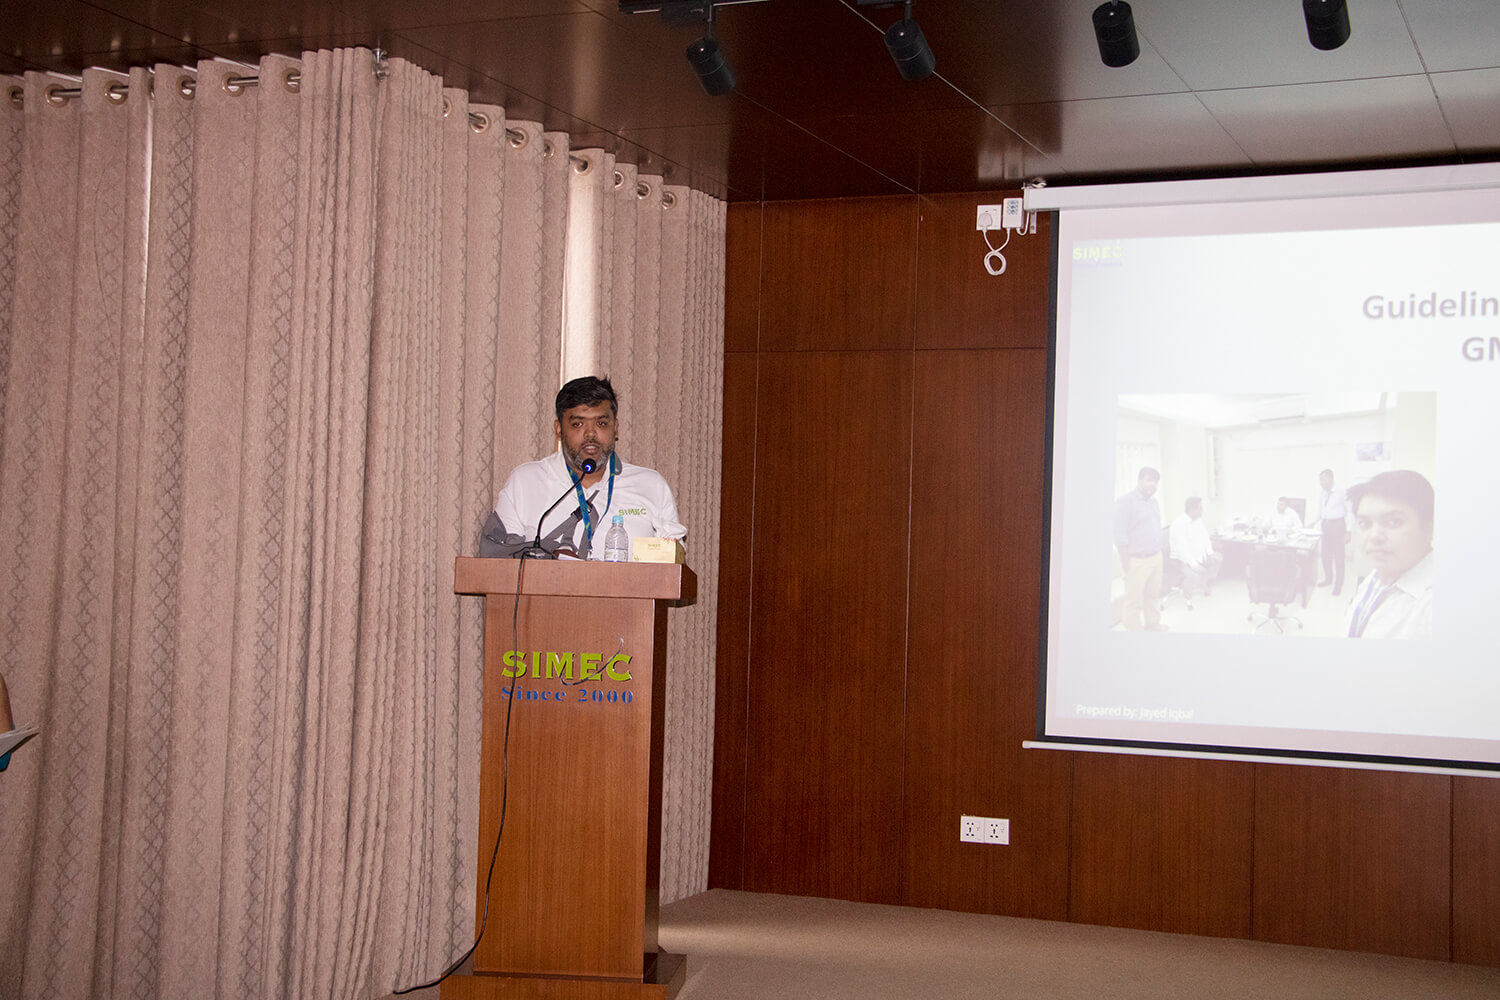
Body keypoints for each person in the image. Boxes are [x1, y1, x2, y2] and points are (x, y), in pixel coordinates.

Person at [478, 376, 686, 559]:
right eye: (578, 424)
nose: (590, 434)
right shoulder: (525, 481)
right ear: (559, 429)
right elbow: (498, 558)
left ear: (616, 428)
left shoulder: (650, 485)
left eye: (601, 423)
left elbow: (674, 567)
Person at [1343, 470, 1433, 640]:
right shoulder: (1379, 573)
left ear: (1428, 528)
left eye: (1393, 522)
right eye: (1365, 523)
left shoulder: (1430, 608)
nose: (1374, 536)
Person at [1114, 466, 1166, 631]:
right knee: (1133, 601)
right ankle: (1134, 633)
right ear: (1139, 480)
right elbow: (1119, 534)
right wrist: (1125, 562)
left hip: (1156, 557)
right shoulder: (1125, 501)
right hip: (1136, 560)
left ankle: (1153, 624)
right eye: (1149, 480)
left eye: (1155, 482)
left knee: (1153, 596)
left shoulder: (1154, 502)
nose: (1153, 485)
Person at [1169, 496, 1222, 600]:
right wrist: (1194, 565)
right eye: (1200, 508)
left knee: (1217, 558)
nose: (1202, 510)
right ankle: (1186, 588)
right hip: (1182, 560)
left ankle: (1203, 582)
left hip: (1199, 555)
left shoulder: (1198, 520)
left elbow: (1205, 537)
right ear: (1192, 510)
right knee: (1196, 575)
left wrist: (1210, 553)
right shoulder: (1179, 524)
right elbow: (1182, 550)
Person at [1309, 468, 1349, 595]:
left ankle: (1338, 584)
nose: (1321, 482)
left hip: (1337, 524)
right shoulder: (1323, 493)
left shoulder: (1342, 491)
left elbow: (1350, 511)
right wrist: (1313, 522)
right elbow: (1321, 511)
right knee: (1325, 555)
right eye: (1320, 480)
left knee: (1338, 556)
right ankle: (1328, 579)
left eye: (1323, 479)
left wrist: (1349, 530)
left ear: (1331, 478)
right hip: (1325, 525)